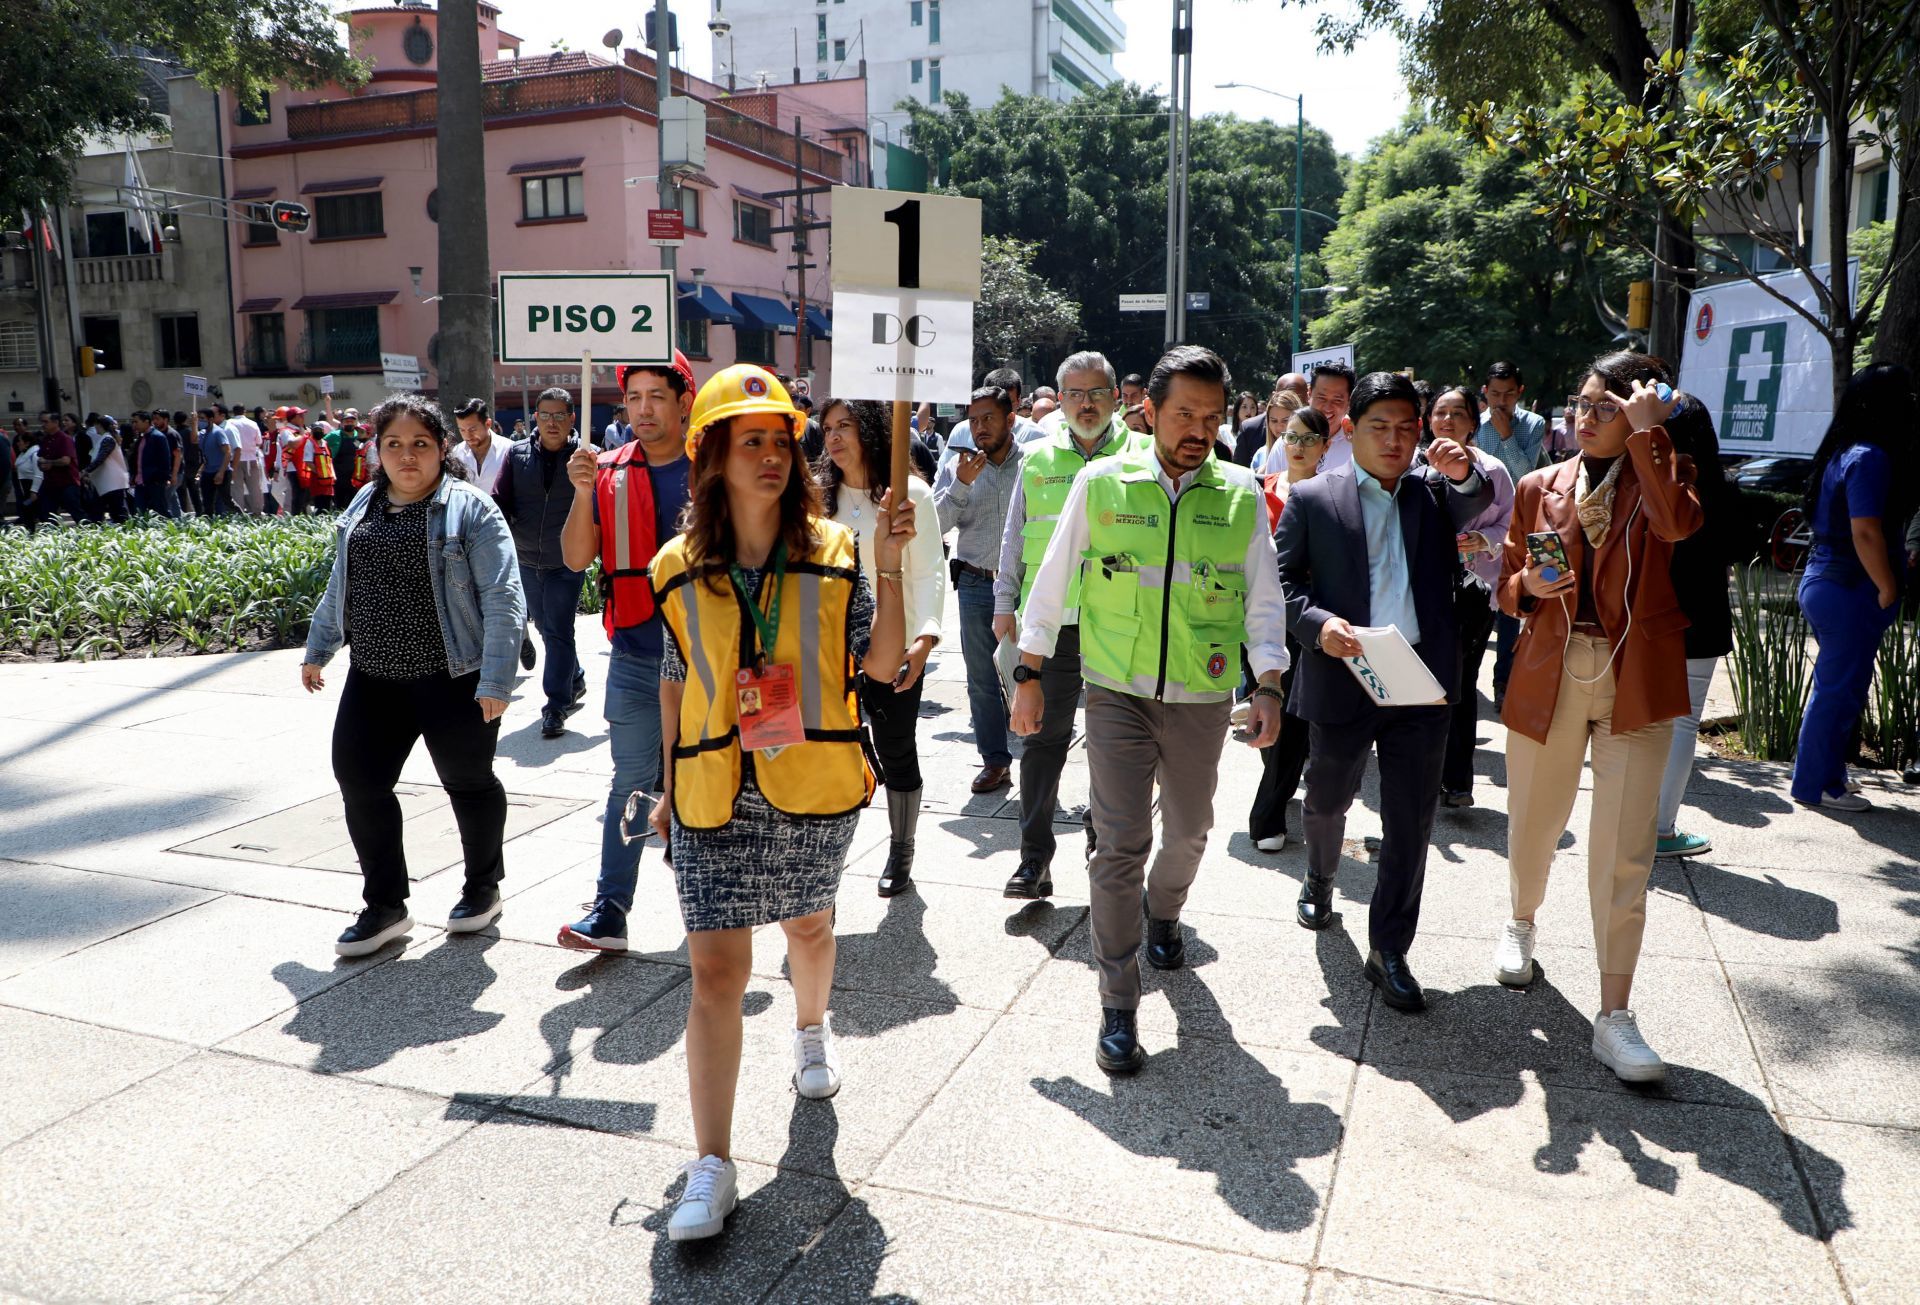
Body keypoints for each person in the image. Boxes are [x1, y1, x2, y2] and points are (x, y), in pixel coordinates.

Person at [644, 364, 914, 1242]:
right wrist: (662, 781)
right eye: (747, 439)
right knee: (715, 973)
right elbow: (679, 676)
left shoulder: (837, 552)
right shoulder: (676, 567)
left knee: (809, 928)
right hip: (713, 789)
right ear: (712, 456)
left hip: (812, 780)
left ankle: (809, 1025)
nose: (769, 453)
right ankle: (713, 1163)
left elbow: (880, 669)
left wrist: (892, 567)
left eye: (779, 438)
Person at [1012, 345, 1289, 1073]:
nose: (1197, 427)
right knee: (1119, 841)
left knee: (1191, 830)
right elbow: (1053, 575)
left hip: (1201, 694)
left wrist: (1268, 683)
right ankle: (1118, 999)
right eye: (1182, 414)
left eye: (1210, 414)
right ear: (1150, 413)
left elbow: (1264, 600)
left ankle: (1163, 912)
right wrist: (1028, 670)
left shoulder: (1239, 493)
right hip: (1115, 691)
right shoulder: (1103, 483)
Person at [1494, 351, 1703, 1083]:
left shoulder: (1663, 472)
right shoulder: (1536, 485)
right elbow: (1506, 588)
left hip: (1634, 677)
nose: (1586, 418)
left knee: (1623, 851)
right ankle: (1521, 920)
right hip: (1552, 668)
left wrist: (1650, 437)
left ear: (1638, 412)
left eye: (1606, 408)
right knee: (1534, 816)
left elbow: (1676, 526)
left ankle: (1614, 1014)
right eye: (1581, 404)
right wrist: (1527, 582)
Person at [1275, 371, 1489, 1012]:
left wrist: (1462, 472)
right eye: (1379, 427)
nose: (1394, 441)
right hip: (1345, 674)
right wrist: (1319, 625)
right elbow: (1280, 587)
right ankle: (1319, 872)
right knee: (1328, 797)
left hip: (1420, 680)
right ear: (1349, 428)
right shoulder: (1314, 498)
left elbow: (1474, 500)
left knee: (1410, 820)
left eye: (1406, 428)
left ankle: (1388, 947)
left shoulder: (1433, 494)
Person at [300, 394, 526, 958]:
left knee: (468, 782)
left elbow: (504, 596)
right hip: (374, 675)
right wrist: (318, 648)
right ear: (377, 451)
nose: (407, 456)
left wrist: (497, 681)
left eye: (420, 444)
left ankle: (482, 888)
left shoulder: (469, 509)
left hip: (454, 676)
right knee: (358, 779)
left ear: (441, 449)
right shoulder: (363, 504)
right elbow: (340, 584)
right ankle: (385, 905)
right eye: (393, 445)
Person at [554, 355, 698, 952]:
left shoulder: (714, 470)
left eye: (656, 396)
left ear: (683, 401)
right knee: (630, 782)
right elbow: (573, 558)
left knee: (716, 782)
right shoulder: (605, 471)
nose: (643, 409)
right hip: (637, 653)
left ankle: (718, 905)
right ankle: (610, 909)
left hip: (710, 661)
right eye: (634, 397)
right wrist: (582, 493)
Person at [993, 351, 1145, 897]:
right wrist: (1003, 602)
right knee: (1039, 740)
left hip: (1119, 620)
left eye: (1097, 393)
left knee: (1117, 743)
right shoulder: (1035, 458)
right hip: (1048, 625)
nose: (1087, 403)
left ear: (1116, 397)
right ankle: (1034, 857)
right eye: (1075, 394)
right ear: (1060, 400)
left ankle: (1104, 836)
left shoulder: (1143, 456)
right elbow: (1014, 537)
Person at [820, 396, 946, 897]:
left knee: (895, 749)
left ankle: (901, 846)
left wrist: (926, 639)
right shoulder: (816, 499)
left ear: (869, 430)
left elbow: (931, 571)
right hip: (829, 651)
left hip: (895, 649)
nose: (833, 437)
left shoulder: (909, 492)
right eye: (827, 427)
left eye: (844, 425)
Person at [1790, 364, 1917, 813]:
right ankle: (1815, 784)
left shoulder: (1844, 450)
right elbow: (1865, 531)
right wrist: (1886, 585)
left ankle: (1829, 775)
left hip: (1826, 580)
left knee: (1842, 686)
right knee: (1838, 689)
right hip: (1848, 587)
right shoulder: (1871, 456)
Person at [1423, 386, 1516, 807]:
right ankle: (1422, 773)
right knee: (1424, 687)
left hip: (1475, 597)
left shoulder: (1493, 471)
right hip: (1423, 597)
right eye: (1440, 413)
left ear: (1472, 423)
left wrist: (1484, 538)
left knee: (1461, 683)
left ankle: (1458, 782)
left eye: (1457, 413)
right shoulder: (1413, 467)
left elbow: (1513, 526)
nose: (1447, 420)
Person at [932, 384, 1026, 796]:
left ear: (1010, 419)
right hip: (973, 583)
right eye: (973, 420)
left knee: (1032, 674)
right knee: (982, 679)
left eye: (988, 418)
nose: (979, 428)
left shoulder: (1034, 463)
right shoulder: (959, 467)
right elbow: (934, 524)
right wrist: (961, 486)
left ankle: (1039, 757)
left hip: (1026, 588)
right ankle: (995, 761)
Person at [1655, 394, 1738, 856]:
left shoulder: (1645, 482)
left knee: (1637, 724)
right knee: (1682, 726)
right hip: (1700, 614)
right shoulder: (1721, 486)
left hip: (1650, 613)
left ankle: (1633, 825)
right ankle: (1661, 830)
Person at [1247, 405, 1330, 851]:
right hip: (1259, 618)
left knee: (1293, 719)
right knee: (1268, 720)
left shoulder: (1334, 495)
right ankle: (1278, 784)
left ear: (1326, 445)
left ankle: (1268, 817)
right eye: (1290, 437)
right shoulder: (1260, 491)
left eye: (1308, 438)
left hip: (1305, 618)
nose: (1297, 446)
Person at [496, 387, 590, 738]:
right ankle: (575, 677)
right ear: (536, 417)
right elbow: (499, 501)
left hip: (567, 560)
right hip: (527, 559)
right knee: (546, 629)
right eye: (545, 415)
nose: (552, 422)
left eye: (559, 416)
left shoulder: (586, 458)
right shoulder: (516, 455)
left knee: (559, 629)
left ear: (571, 419)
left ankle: (555, 706)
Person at [1479, 361, 1550, 704]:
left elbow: (1524, 475)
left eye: (1508, 394)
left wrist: (1506, 434)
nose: (1501, 401)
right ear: (1485, 392)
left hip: (1515, 525)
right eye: (1495, 394)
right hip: (1477, 527)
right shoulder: (1475, 426)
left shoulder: (1534, 424)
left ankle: (1503, 681)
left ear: (1520, 392)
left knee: (1509, 607)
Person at [938, 367, 1045, 459]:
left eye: (1008, 403)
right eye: (974, 421)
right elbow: (943, 476)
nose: (1002, 411)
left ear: (1018, 401)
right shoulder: (961, 432)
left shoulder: (1037, 436)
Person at [449, 398, 511, 492]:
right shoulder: (456, 453)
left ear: (488, 424)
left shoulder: (509, 450)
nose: (467, 436)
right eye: (462, 430)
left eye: (472, 429)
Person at [1306, 361, 1356, 472]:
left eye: (1337, 400)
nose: (1328, 408)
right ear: (1309, 394)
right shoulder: (1288, 442)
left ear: (1349, 401)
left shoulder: (1359, 445)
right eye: (1321, 398)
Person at [34, 411, 83, 522]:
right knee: (46, 514)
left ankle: (89, 534)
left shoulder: (64, 439)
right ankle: (53, 536)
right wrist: (41, 464)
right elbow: (40, 459)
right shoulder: (45, 440)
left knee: (77, 513)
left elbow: (66, 461)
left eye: (46, 422)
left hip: (67, 483)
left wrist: (49, 462)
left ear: (55, 423)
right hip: (50, 483)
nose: (43, 425)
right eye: (42, 422)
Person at [1247, 390, 1305, 473]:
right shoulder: (1260, 455)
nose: (1279, 426)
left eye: (1285, 420)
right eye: (1274, 421)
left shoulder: (1310, 452)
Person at [86, 417, 131, 522]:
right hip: (106, 482)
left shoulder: (108, 439)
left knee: (117, 512)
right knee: (101, 510)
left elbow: (100, 458)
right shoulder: (105, 438)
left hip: (112, 482)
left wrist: (85, 471)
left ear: (100, 425)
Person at [228, 403, 266, 515]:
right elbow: (259, 442)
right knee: (255, 487)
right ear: (244, 411)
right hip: (251, 458)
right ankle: (258, 512)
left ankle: (239, 513)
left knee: (237, 488)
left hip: (234, 459)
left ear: (233, 412)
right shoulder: (253, 424)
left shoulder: (229, 423)